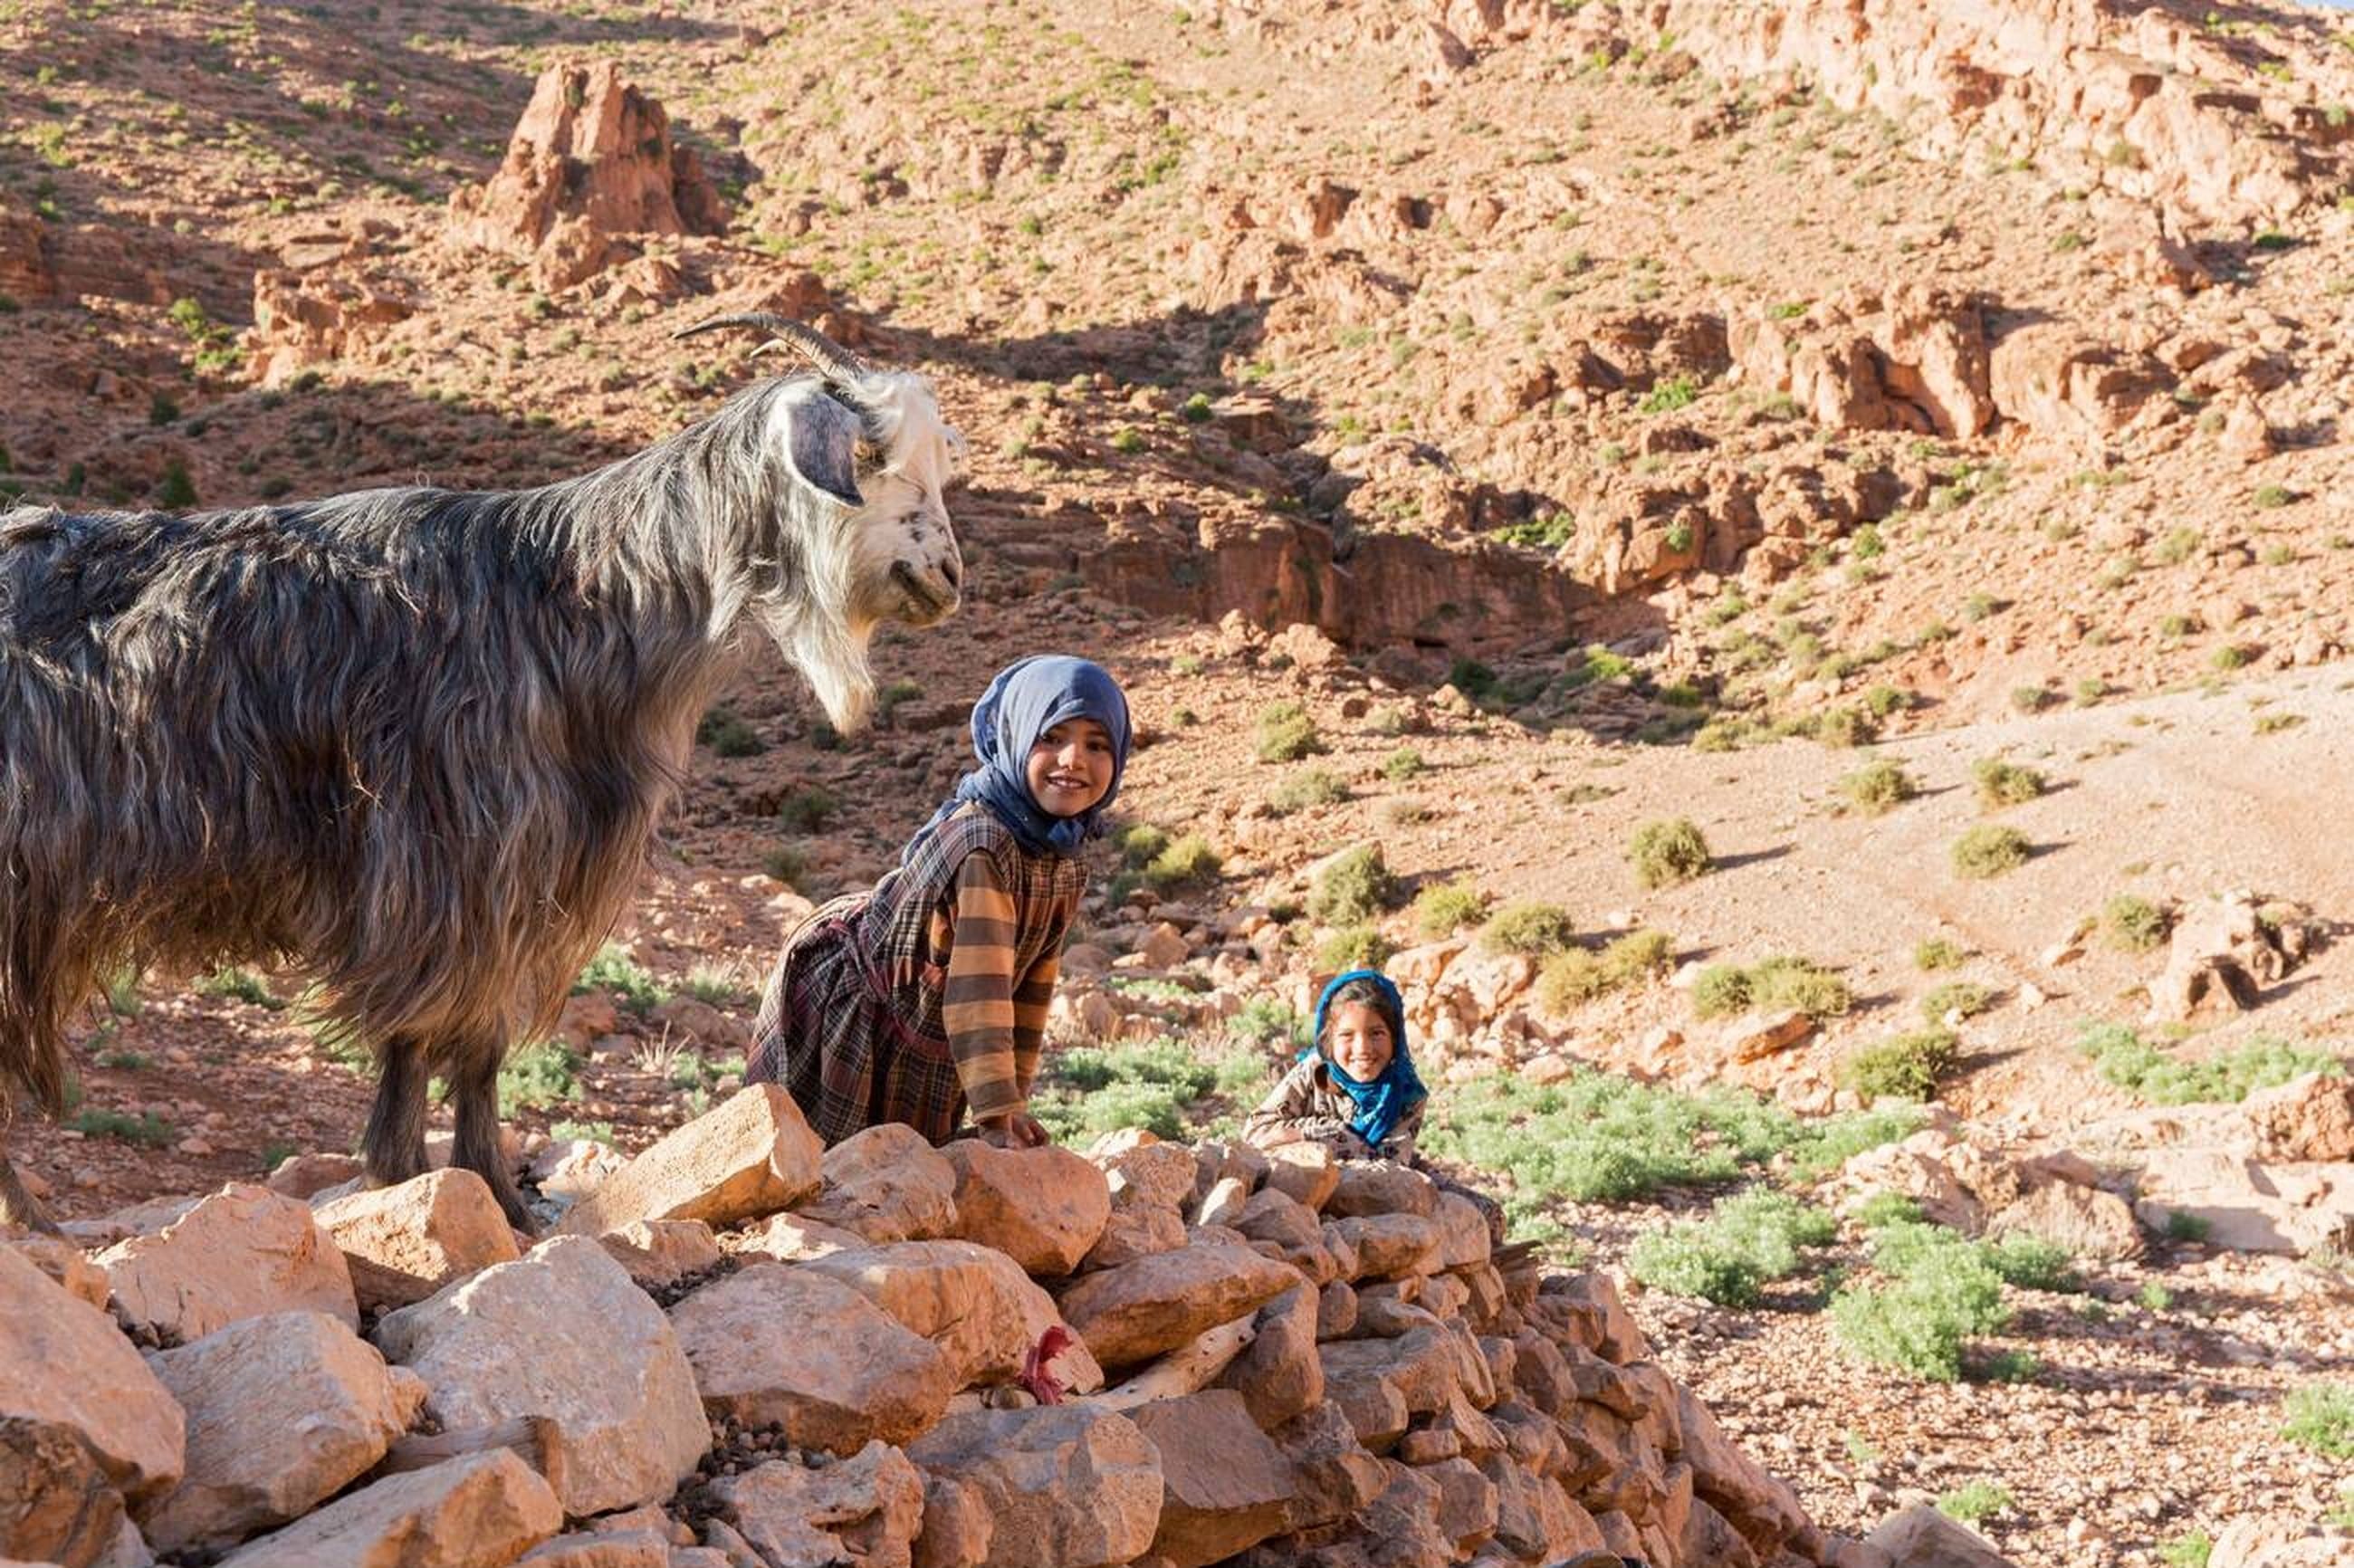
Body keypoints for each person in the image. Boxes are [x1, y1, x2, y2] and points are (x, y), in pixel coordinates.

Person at [746, 654, 1129, 1148]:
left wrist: (1011, 1099)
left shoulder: (1063, 856)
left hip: (929, 1028)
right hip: (857, 1006)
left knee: (909, 1182)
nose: (1073, 759)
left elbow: (1031, 985)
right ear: (1015, 737)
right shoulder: (984, 845)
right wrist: (996, 1111)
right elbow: (977, 993)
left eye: (1096, 745)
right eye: (1051, 737)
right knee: (819, 1167)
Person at [1245, 967, 1507, 1243]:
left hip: (1387, 1174)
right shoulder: (1315, 1074)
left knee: (1487, 1213)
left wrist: (1342, 1143)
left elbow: (1391, 1165)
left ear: (1396, 1038)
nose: (1363, 1048)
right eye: (1347, 1035)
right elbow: (1256, 1131)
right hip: (1313, 1177)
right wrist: (1323, 1132)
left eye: (1376, 1033)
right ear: (1328, 1040)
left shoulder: (1404, 1092)